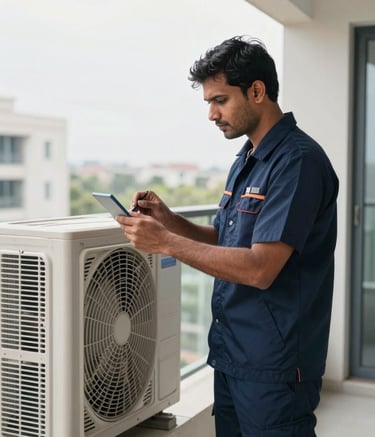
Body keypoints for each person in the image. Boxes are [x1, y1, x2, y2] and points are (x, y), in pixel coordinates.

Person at [116, 36, 339, 437]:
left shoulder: (298, 162)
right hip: (232, 353)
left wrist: (163, 243)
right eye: (208, 103)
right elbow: (224, 238)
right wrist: (167, 220)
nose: (211, 114)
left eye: (219, 100)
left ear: (256, 91)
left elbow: (260, 269)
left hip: (275, 366)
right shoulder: (247, 159)